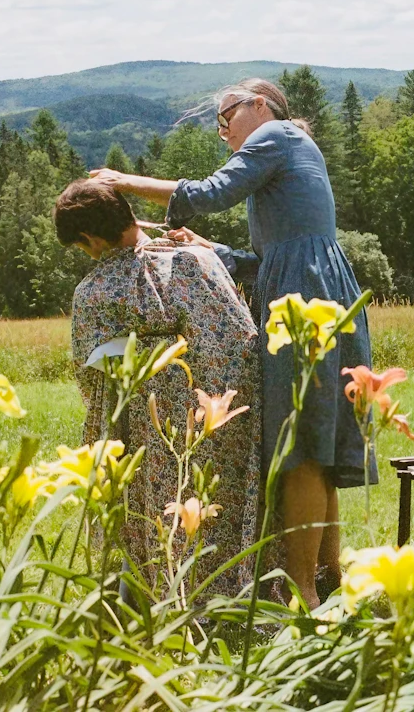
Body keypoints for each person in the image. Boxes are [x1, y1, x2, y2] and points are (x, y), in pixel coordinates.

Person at [89, 78, 376, 608]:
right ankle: (328, 581)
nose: (223, 133)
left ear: (260, 105)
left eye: (225, 118)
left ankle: (303, 593)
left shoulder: (278, 135)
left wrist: (122, 181)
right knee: (316, 444)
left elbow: (208, 193)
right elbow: (265, 262)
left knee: (303, 449)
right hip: (310, 289)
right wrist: (210, 248)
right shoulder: (283, 155)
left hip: (302, 300)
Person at [55, 180, 261, 599]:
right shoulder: (195, 259)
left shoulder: (92, 292)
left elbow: (92, 375)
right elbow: (240, 335)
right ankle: (232, 588)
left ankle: (157, 591)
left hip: (149, 427)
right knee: (215, 495)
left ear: (90, 239)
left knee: (155, 502)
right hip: (219, 415)